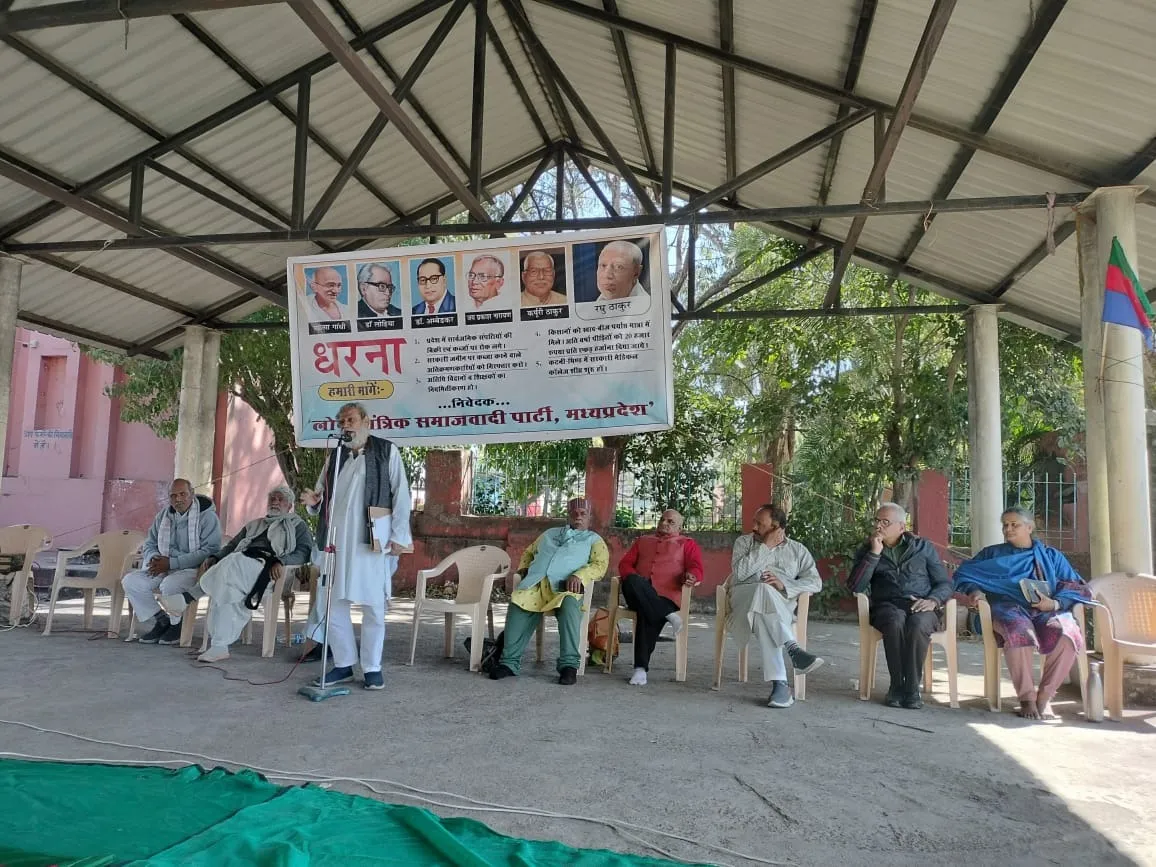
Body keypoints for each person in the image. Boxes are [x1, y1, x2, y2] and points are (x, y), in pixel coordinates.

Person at [300, 402, 412, 691]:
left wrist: (400, 536)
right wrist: (314, 503)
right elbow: (321, 498)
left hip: (372, 539)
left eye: (350, 419)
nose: (345, 425)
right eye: (341, 421)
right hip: (336, 542)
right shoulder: (335, 456)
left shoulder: (387, 451)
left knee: (374, 605)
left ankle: (372, 667)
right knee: (333, 603)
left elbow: (401, 496)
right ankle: (343, 664)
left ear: (366, 421)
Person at [952, 507, 1092, 721]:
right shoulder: (992, 554)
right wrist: (975, 591)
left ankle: (1045, 697)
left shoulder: (1051, 556)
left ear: (1029, 527)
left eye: (1014, 524)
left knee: (1067, 633)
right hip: (1007, 608)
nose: (1008, 529)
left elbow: (1074, 585)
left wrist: (1054, 603)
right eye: (1005, 525)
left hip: (1045, 610)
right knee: (1019, 631)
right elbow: (965, 574)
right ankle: (1026, 697)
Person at [162, 486, 312, 663]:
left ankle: (187, 598)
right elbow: (232, 546)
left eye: (280, 499)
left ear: (290, 505)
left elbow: (304, 552)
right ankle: (219, 646)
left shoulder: (297, 525)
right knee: (227, 586)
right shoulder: (254, 524)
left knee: (232, 564)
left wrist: (282, 561)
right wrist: (216, 557)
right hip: (239, 565)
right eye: (272, 498)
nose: (275, 502)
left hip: (269, 569)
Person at [490, 498, 608, 685]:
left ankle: (569, 666)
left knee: (570, 607)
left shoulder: (594, 540)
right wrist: (524, 570)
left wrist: (580, 575)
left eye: (583, 514)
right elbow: (529, 552)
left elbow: (600, 565)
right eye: (574, 513)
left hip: (565, 588)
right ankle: (508, 663)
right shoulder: (549, 534)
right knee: (517, 603)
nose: (578, 517)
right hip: (537, 583)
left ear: (589, 518)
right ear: (569, 515)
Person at [847, 503, 952, 709]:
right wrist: (874, 554)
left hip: (921, 604)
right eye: (876, 520)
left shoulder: (923, 548)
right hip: (887, 606)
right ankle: (896, 685)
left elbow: (945, 583)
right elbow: (856, 586)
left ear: (901, 527)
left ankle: (912, 688)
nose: (878, 526)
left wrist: (933, 601)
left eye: (885, 522)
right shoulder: (867, 549)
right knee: (895, 621)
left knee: (917, 624)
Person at [726, 505, 824, 709]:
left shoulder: (797, 550)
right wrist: (766, 547)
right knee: (762, 589)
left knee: (764, 613)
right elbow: (740, 574)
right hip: (744, 600)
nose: (753, 526)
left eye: (760, 524)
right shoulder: (743, 543)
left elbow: (815, 582)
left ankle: (781, 685)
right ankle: (793, 649)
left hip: (778, 608)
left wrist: (784, 584)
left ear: (776, 527)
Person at [123, 478, 221, 645]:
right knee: (131, 581)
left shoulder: (207, 517)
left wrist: (172, 563)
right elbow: (150, 543)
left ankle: (177, 626)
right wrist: (154, 559)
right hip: (163, 566)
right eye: (173, 496)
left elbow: (209, 551)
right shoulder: (164, 515)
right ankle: (162, 621)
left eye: (183, 494)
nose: (178, 499)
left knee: (169, 585)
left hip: (194, 570)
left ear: (192, 494)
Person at [616, 509, 703, 685]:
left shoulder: (687, 543)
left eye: (670, 522)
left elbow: (696, 567)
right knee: (632, 579)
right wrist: (636, 579)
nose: (664, 523)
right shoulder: (643, 540)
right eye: (662, 519)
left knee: (646, 613)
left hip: (667, 594)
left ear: (680, 526)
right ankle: (668, 615)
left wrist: (692, 575)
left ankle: (640, 670)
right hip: (637, 592)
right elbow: (625, 564)